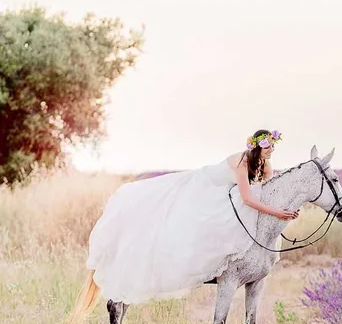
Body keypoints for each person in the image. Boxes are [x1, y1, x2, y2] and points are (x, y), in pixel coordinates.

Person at [76, 129, 299, 310]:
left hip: (226, 193)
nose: (271, 151)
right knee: (198, 220)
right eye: (268, 147)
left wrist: (284, 209)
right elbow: (248, 198)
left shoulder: (265, 164)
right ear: (256, 147)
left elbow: (268, 191)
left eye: (272, 146)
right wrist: (276, 212)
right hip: (206, 186)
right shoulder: (243, 161)